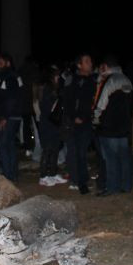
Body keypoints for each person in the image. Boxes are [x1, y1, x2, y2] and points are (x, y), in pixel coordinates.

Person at [93, 56, 133, 195]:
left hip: (108, 126)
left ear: (106, 66)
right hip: (124, 125)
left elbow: (101, 103)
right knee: (124, 157)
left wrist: (96, 119)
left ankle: (112, 187)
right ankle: (126, 185)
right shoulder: (127, 79)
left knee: (110, 159)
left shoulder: (109, 81)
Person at [60, 53, 97, 194]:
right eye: (87, 61)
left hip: (88, 121)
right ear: (79, 65)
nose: (90, 63)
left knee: (83, 152)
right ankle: (81, 182)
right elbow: (68, 100)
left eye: (90, 61)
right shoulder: (73, 80)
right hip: (77, 122)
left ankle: (83, 180)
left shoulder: (93, 80)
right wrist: (74, 116)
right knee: (79, 152)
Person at [0, 53, 26, 183]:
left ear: (8, 63)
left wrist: (4, 117)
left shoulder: (9, 77)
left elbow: (10, 99)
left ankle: (8, 176)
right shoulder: (13, 76)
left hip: (10, 116)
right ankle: (13, 174)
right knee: (10, 145)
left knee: (2, 146)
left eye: (1, 62)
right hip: (15, 115)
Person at [35, 66, 66, 186]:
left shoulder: (53, 89)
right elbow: (47, 108)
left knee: (55, 149)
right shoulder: (47, 89)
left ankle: (52, 174)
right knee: (47, 149)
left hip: (54, 123)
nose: (59, 78)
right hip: (48, 123)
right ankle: (43, 176)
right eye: (57, 76)